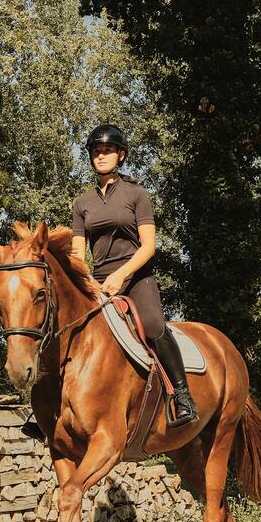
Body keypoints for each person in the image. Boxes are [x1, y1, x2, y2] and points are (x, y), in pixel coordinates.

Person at [70, 123, 198, 426]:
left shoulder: (136, 194)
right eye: (96, 151)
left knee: (153, 325)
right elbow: (77, 254)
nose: (101, 156)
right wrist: (88, 280)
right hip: (98, 280)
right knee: (68, 326)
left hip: (136, 274)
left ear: (121, 154)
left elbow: (149, 246)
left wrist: (121, 275)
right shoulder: (82, 203)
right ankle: (49, 406)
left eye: (107, 151)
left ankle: (182, 396)